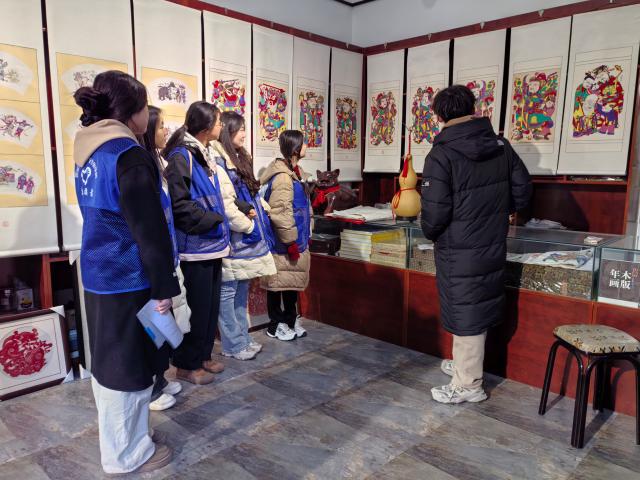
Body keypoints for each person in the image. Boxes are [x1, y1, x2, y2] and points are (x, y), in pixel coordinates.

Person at [73, 71, 177, 474]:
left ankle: (127, 441)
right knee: (130, 368)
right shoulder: (127, 154)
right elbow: (148, 230)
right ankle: (126, 454)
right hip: (129, 276)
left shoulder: (88, 149)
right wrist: (164, 286)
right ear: (134, 111)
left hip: (99, 273)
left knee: (109, 363)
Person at [420, 84, 532, 404]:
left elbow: (434, 214)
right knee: (474, 303)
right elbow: (523, 191)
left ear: (440, 116)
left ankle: (469, 384)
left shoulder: (441, 154)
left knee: (466, 307)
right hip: (492, 240)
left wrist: (431, 232)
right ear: (473, 109)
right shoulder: (501, 145)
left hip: (457, 246)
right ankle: (464, 365)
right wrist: (499, 213)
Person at [164, 101, 229, 385]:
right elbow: (179, 205)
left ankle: (203, 356)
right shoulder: (182, 156)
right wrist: (212, 218)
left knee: (210, 308)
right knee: (196, 309)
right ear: (206, 126)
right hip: (195, 246)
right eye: (218, 121)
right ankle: (185, 365)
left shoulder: (204, 153)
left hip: (212, 243)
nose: (221, 126)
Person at [210, 111, 277, 359]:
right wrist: (248, 226)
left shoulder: (238, 156)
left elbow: (251, 193)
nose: (244, 134)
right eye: (240, 129)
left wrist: (264, 210)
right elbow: (225, 202)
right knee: (228, 291)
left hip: (248, 232)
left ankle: (243, 339)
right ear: (227, 131)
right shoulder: (218, 160)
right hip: (235, 235)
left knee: (241, 288)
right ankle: (233, 344)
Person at [141, 106, 190, 410]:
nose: (165, 131)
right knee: (152, 324)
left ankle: (160, 376)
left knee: (163, 322)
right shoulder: (142, 164)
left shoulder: (158, 161)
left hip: (167, 254)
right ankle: (151, 387)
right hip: (152, 259)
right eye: (160, 126)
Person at [259, 130, 312, 341]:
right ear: (295, 149)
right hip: (283, 242)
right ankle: (275, 325)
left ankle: (290, 320)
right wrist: (290, 240)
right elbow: (280, 212)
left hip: (295, 239)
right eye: (304, 143)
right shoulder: (282, 177)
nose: (307, 146)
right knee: (277, 283)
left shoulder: (296, 173)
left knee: (291, 282)